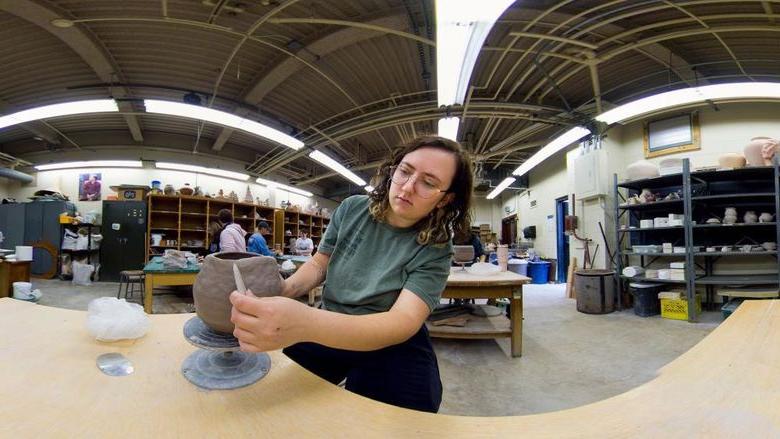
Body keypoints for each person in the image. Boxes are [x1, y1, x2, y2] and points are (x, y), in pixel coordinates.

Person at [229, 136, 473, 413]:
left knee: (412, 415)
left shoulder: (437, 245)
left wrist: (303, 323)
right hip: (331, 318)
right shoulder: (353, 209)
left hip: (389, 336)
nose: (407, 187)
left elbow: (402, 321)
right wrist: (284, 289)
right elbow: (319, 265)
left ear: (446, 199)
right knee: (266, 396)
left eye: (428, 183)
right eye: (405, 171)